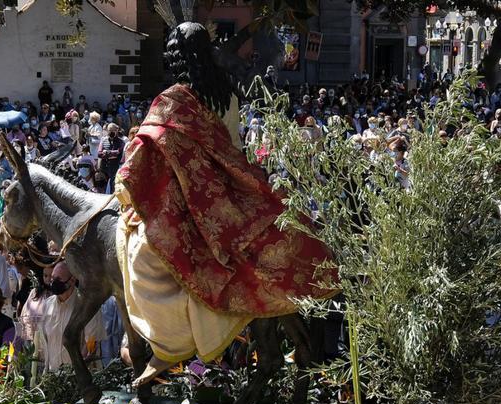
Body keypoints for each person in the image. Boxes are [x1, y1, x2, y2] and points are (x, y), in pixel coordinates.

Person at [116, 23, 336, 384]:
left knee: (141, 253)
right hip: (234, 190)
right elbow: (233, 147)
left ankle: (169, 344)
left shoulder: (171, 100)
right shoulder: (228, 93)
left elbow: (145, 149)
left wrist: (126, 181)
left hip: (191, 198)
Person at [39, 260, 104, 372]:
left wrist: (78, 369)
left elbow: (92, 345)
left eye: (58, 279)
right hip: (52, 376)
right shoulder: (47, 305)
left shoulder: (86, 306)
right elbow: (43, 341)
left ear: (73, 280)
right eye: (53, 279)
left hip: (78, 375)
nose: (54, 282)